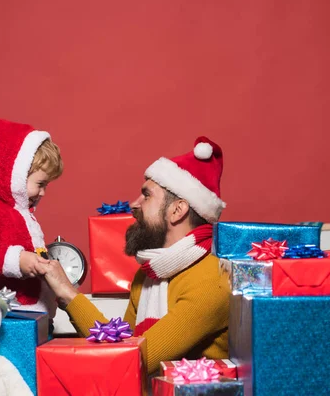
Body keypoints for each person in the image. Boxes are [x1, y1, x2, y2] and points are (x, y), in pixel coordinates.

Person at [43, 136, 230, 374]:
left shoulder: (212, 281)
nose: (134, 204)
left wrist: (69, 293)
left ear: (177, 210)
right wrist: (66, 294)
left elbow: (135, 360)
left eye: (147, 195)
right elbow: (119, 345)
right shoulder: (147, 276)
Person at [0, 115, 63, 317]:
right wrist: (18, 260)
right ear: (15, 174)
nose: (43, 193)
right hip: (6, 312)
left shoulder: (23, 216)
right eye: (40, 184)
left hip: (34, 313)